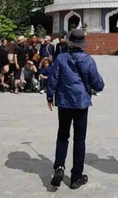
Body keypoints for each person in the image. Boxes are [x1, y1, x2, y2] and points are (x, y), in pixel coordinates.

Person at [47, 28, 104, 190]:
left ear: (69, 42)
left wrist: (50, 96)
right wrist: (99, 85)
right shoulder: (88, 60)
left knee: (62, 135)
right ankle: (76, 177)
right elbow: (97, 83)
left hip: (64, 102)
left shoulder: (61, 58)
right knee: (79, 140)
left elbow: (52, 78)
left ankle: (59, 167)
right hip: (81, 102)